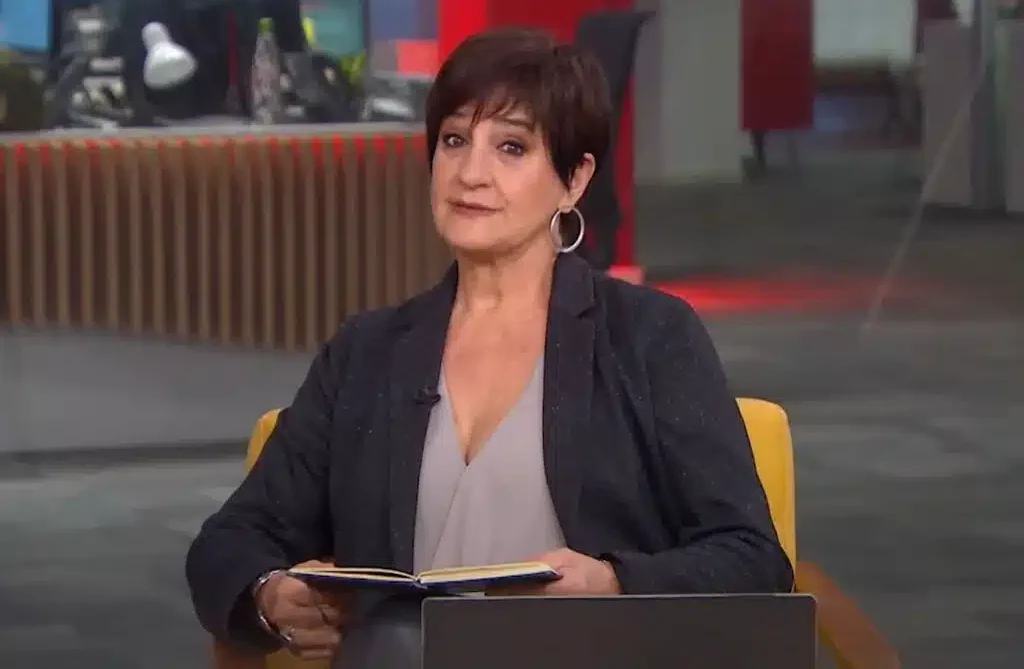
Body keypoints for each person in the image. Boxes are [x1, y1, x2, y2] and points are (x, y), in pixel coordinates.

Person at [186, 27, 793, 668]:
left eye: (511, 147)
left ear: (574, 179)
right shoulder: (367, 352)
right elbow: (231, 541)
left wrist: (616, 584)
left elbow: (751, 558)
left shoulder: (649, 336)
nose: (470, 174)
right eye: (454, 140)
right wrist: (269, 593)